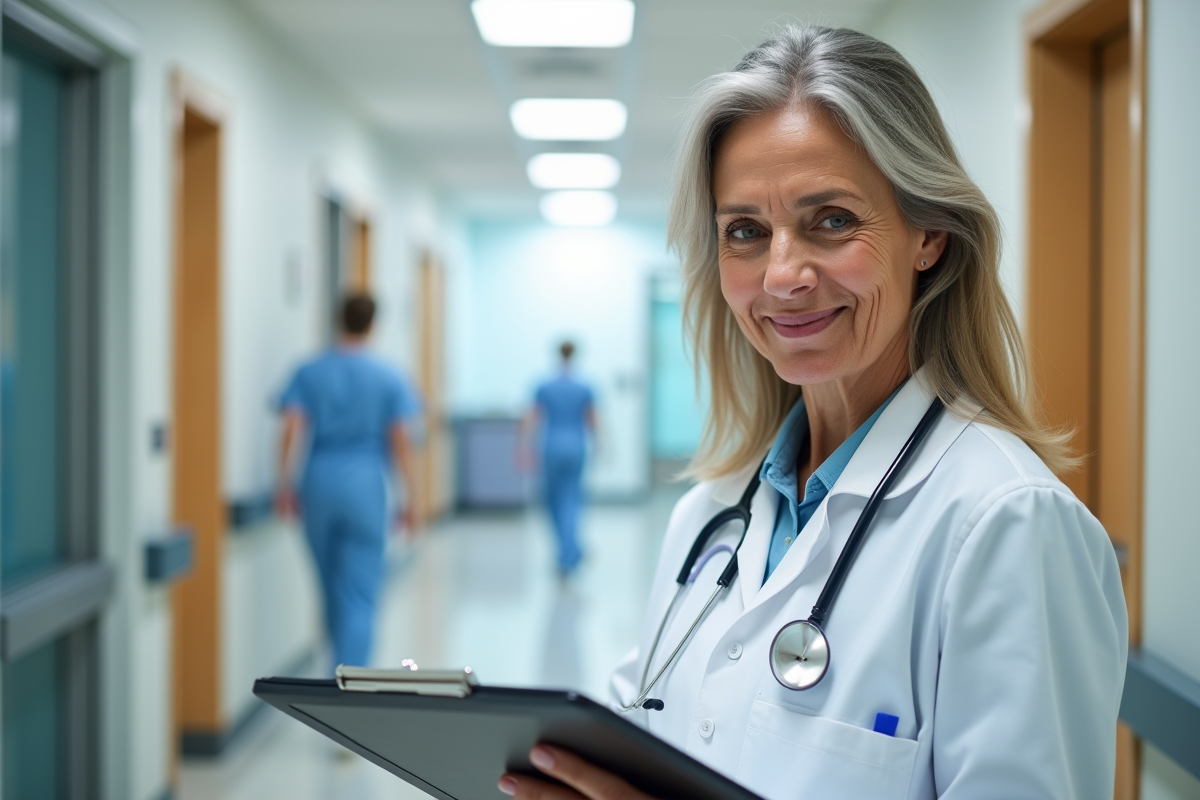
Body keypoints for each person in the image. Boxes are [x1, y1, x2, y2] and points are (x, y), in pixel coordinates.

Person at [498, 25, 1127, 800]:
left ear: (927, 231)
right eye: (745, 232)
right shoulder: (710, 514)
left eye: (831, 220)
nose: (783, 275)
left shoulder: (1006, 526)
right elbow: (642, 734)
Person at [276, 292, 420, 671]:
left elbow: (291, 428)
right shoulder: (389, 376)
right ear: (373, 326)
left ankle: (334, 666)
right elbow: (401, 441)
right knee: (359, 591)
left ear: (337, 320)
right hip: (366, 484)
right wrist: (411, 499)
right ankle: (349, 680)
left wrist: (284, 485)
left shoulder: (309, 371)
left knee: (328, 585)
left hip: (318, 481)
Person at [521, 341, 596, 576]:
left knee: (552, 501)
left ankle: (565, 553)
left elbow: (532, 418)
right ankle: (570, 551)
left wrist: (523, 447)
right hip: (576, 447)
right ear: (574, 355)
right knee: (572, 499)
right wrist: (604, 446)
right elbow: (592, 420)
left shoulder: (544, 385)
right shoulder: (584, 386)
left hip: (551, 447)